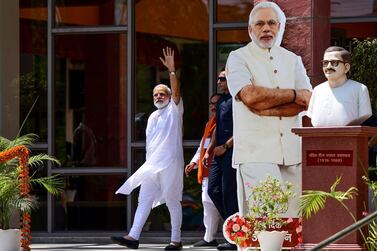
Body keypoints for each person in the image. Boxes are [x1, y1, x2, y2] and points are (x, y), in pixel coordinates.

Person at [225, 1, 312, 219]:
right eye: (260, 23)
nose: (266, 28)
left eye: (272, 23)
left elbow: (308, 100)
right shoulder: (238, 57)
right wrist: (292, 95)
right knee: (265, 223)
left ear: (280, 26)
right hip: (256, 154)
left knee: (294, 224)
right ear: (250, 29)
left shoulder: (293, 60)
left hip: (293, 153)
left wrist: (265, 106)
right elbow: (250, 96)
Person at [111, 47, 184, 251]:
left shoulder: (174, 110)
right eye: (155, 94)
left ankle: (175, 241)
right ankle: (133, 237)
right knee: (143, 199)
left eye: (162, 94)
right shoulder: (152, 116)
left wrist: (171, 71)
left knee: (171, 201)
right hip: (152, 165)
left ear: (169, 97)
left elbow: (176, 92)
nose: (159, 97)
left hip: (170, 163)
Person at [203, 70, 238, 251]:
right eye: (218, 78)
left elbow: (242, 128)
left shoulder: (238, 100)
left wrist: (226, 147)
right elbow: (218, 128)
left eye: (222, 79)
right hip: (218, 153)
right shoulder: (222, 100)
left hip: (231, 152)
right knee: (213, 190)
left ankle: (235, 238)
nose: (219, 82)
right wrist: (209, 150)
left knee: (229, 194)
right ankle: (233, 226)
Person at [184, 93, 221, 247]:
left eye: (216, 104)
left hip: (220, 169)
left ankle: (231, 236)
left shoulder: (225, 123)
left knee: (217, 203)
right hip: (207, 170)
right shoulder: (209, 124)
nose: (213, 107)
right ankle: (209, 237)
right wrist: (193, 162)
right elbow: (202, 147)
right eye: (211, 104)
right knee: (207, 202)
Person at [307, 46, 372, 127]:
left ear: (346, 67)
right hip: (317, 138)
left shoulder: (360, 89)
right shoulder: (317, 90)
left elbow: (365, 114)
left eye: (334, 62)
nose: (328, 67)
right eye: (325, 63)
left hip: (349, 138)